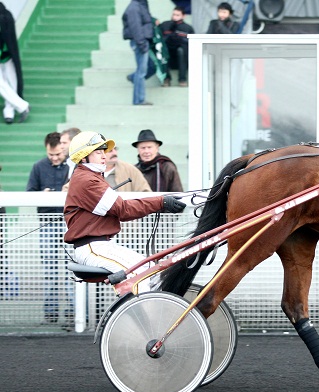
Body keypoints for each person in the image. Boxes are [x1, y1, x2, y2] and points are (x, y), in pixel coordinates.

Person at [63, 131, 186, 294]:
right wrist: (160, 202)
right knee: (138, 277)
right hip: (92, 248)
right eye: (98, 152)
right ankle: (148, 318)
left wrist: (160, 202)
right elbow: (123, 210)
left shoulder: (91, 176)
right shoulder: (87, 180)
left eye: (104, 152)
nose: (104, 156)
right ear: (83, 156)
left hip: (102, 246)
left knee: (151, 269)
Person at [27, 132, 70, 324]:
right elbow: (29, 193)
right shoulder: (38, 167)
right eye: (51, 155)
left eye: (58, 154)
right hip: (46, 224)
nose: (54, 158)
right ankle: (51, 312)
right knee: (50, 270)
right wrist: (42, 194)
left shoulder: (72, 168)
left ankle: (72, 313)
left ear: (63, 148)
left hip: (68, 224)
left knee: (71, 270)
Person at [0, 2, 29, 124]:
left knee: (11, 83)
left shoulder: (5, 17)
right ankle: (18, 107)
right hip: (6, 53)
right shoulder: (6, 15)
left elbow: (8, 38)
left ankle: (11, 111)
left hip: (6, 54)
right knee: (5, 84)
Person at [123, 0, 155, 106]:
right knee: (141, 72)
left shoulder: (141, 5)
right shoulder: (134, 7)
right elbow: (136, 27)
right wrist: (142, 44)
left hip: (142, 41)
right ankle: (139, 100)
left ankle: (133, 78)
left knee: (151, 67)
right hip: (140, 42)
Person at [158, 6, 194, 87]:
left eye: (178, 15)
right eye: (174, 14)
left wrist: (180, 38)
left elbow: (192, 44)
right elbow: (159, 39)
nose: (175, 17)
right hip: (168, 58)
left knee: (181, 50)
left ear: (183, 16)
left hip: (183, 59)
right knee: (163, 50)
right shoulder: (165, 25)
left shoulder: (187, 28)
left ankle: (182, 79)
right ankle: (166, 79)